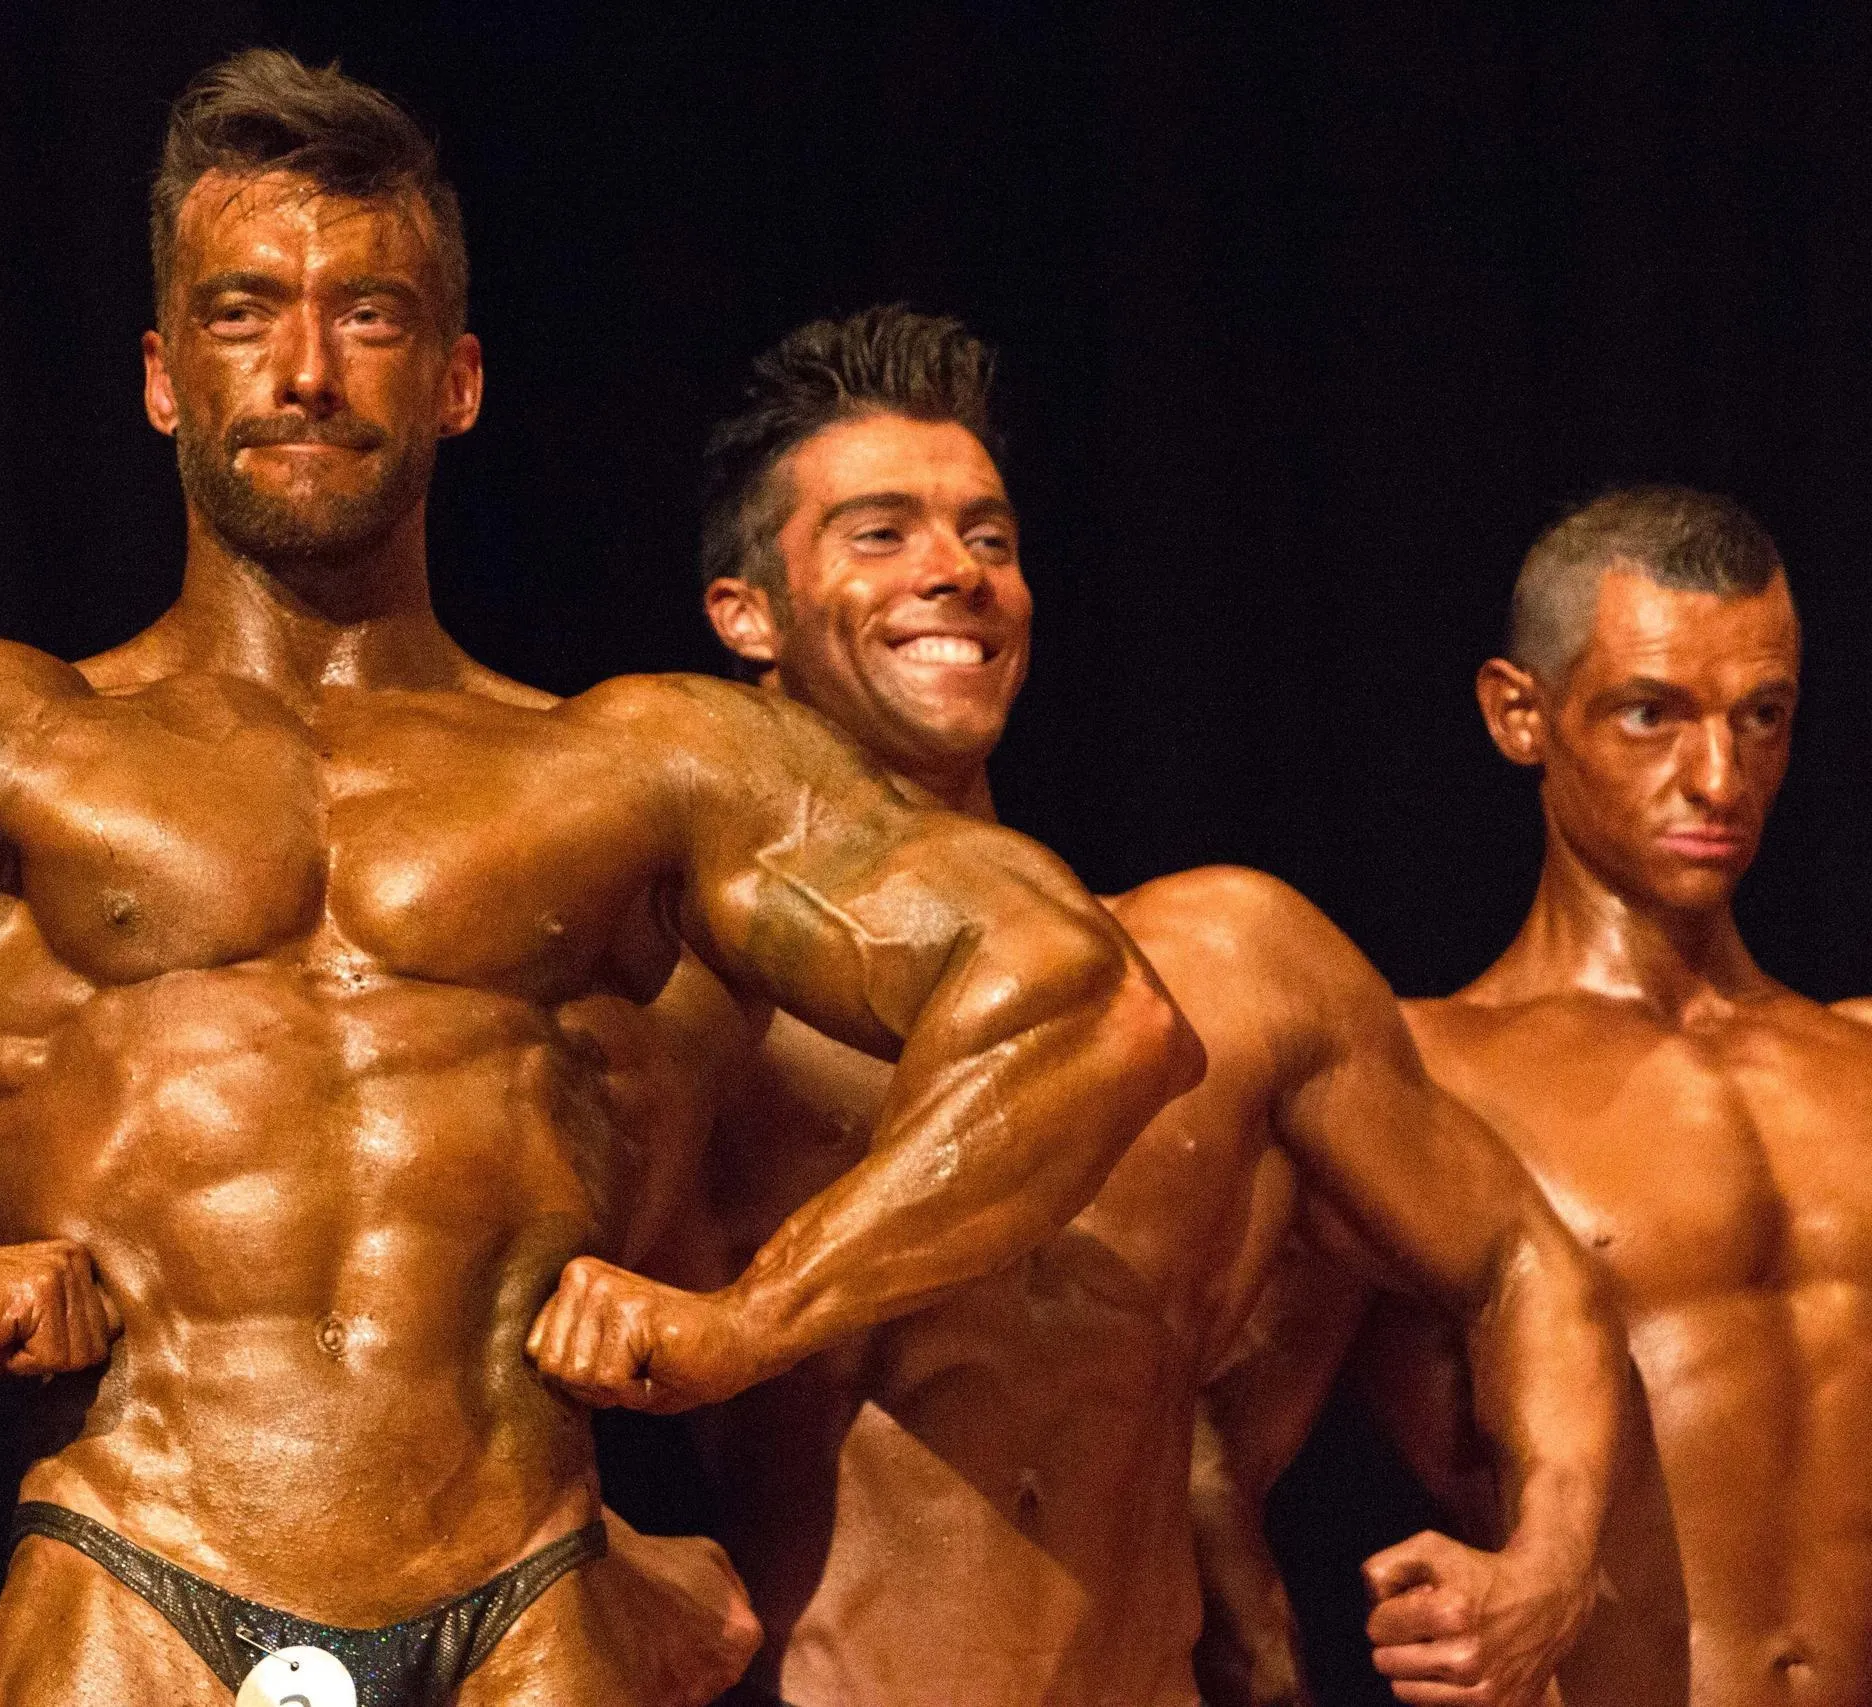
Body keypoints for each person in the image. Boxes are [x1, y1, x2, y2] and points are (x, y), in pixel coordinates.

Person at [0, 52, 1205, 1707]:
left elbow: (1085, 1001)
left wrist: (761, 1315)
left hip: (533, 1581)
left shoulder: (638, 765)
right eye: (244, 315)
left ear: (458, 377)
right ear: (158, 373)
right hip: (140, 1558)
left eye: (367, 316)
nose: (303, 370)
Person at [652, 306, 1627, 1707]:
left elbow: (1522, 1263)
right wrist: (612, 1567)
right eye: (883, 533)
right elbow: (467, 1340)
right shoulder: (700, 998)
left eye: (989, 536)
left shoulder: (1234, 957)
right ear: (748, 611)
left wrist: (1546, 1562)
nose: (957, 572)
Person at [1194, 486, 1872, 1707]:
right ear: (1521, 714)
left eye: (1759, 718)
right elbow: (1199, 1463)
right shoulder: (1411, 1077)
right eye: (1652, 715)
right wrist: (1274, 1672)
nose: (1718, 776)